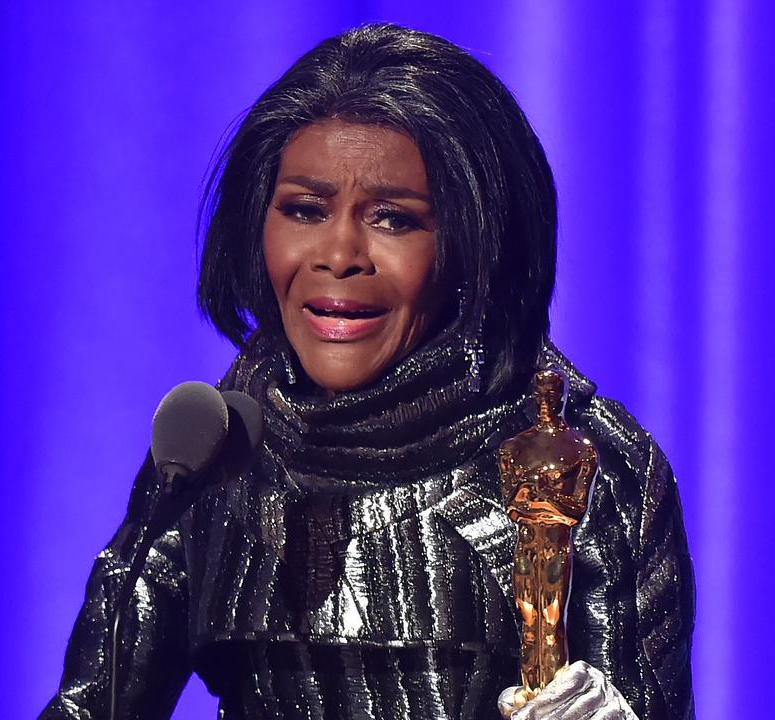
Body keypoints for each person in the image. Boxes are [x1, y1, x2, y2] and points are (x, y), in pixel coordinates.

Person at [40, 23, 694, 720]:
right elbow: (89, 705)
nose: (339, 252)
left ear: (477, 246)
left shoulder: (582, 462)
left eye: (392, 219)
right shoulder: (213, 455)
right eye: (304, 210)